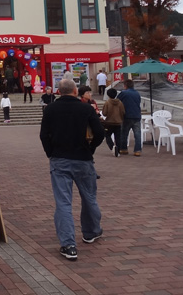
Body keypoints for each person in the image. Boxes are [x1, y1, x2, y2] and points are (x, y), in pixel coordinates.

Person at [40, 78, 105, 261]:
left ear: (58, 92)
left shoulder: (50, 109)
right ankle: (91, 231)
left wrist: (51, 153)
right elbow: (100, 133)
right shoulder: (86, 108)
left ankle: (68, 244)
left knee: (63, 202)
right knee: (89, 197)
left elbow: (43, 135)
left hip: (59, 159)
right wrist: (90, 149)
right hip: (83, 159)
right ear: (76, 92)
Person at [117, 79, 142, 156]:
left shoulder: (123, 93)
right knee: (137, 135)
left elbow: (117, 101)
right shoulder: (137, 93)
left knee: (124, 133)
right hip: (137, 116)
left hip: (126, 116)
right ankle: (137, 150)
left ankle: (123, 149)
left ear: (125, 85)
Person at [102, 88, 125, 157]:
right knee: (118, 137)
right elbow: (123, 112)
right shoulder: (120, 103)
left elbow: (104, 113)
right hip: (118, 122)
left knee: (107, 135)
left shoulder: (107, 102)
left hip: (109, 122)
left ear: (108, 95)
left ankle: (112, 147)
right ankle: (118, 151)